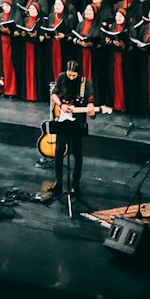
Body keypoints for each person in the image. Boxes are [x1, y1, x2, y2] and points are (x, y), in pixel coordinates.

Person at [48, 56, 97, 198]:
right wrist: (61, 105)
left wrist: (91, 108)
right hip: (63, 120)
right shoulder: (62, 77)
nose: (71, 77)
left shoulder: (84, 83)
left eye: (73, 75)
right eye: (69, 74)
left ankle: (76, 185)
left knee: (77, 153)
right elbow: (54, 94)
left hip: (77, 121)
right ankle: (58, 182)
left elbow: (90, 100)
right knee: (58, 151)